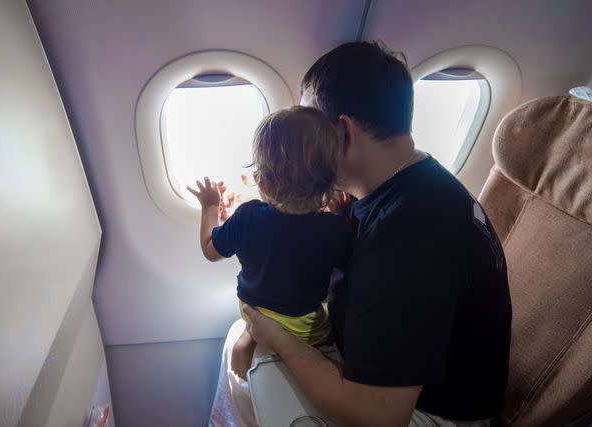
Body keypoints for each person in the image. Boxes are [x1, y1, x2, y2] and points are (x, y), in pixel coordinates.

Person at [211, 41, 512, 427]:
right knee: (244, 343)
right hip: (384, 373)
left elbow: (378, 416)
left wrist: (277, 338)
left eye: (309, 130)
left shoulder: (413, 236)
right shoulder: (402, 182)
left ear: (341, 133)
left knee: (257, 376)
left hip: (430, 412)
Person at [188, 106, 351, 381]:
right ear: (331, 181)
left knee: (257, 321)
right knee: (327, 340)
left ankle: (248, 346)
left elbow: (209, 250)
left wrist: (210, 206)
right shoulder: (334, 229)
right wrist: (341, 213)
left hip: (252, 307)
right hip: (301, 324)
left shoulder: (248, 215)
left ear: (261, 181)